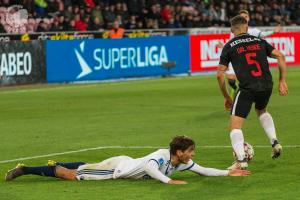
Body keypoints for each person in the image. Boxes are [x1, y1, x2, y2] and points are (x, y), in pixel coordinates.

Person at [5, 135, 250, 184]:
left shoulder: (181, 162)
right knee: (70, 175)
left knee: (84, 167)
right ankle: (25, 169)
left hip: (122, 161)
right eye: (190, 151)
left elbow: (204, 170)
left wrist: (229, 172)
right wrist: (168, 182)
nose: (192, 156)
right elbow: (149, 168)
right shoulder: (160, 157)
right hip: (117, 171)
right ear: (178, 152)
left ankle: (52, 165)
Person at [216, 15, 288, 170]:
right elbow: (281, 56)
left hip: (247, 88)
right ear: (247, 28)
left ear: (232, 30)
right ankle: (274, 141)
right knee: (262, 110)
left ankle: (241, 161)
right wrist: (282, 80)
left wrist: (227, 97)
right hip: (266, 85)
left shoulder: (229, 46)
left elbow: (219, 74)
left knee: (235, 127)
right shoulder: (259, 41)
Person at [217, 10, 282, 101]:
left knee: (248, 82)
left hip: (249, 60)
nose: (244, 18)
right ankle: (236, 89)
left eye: (246, 16)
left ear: (249, 18)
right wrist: (222, 46)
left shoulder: (253, 31)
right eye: (242, 16)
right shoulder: (234, 32)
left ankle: (243, 93)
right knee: (230, 79)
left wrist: (273, 32)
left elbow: (263, 35)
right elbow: (231, 46)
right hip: (238, 58)